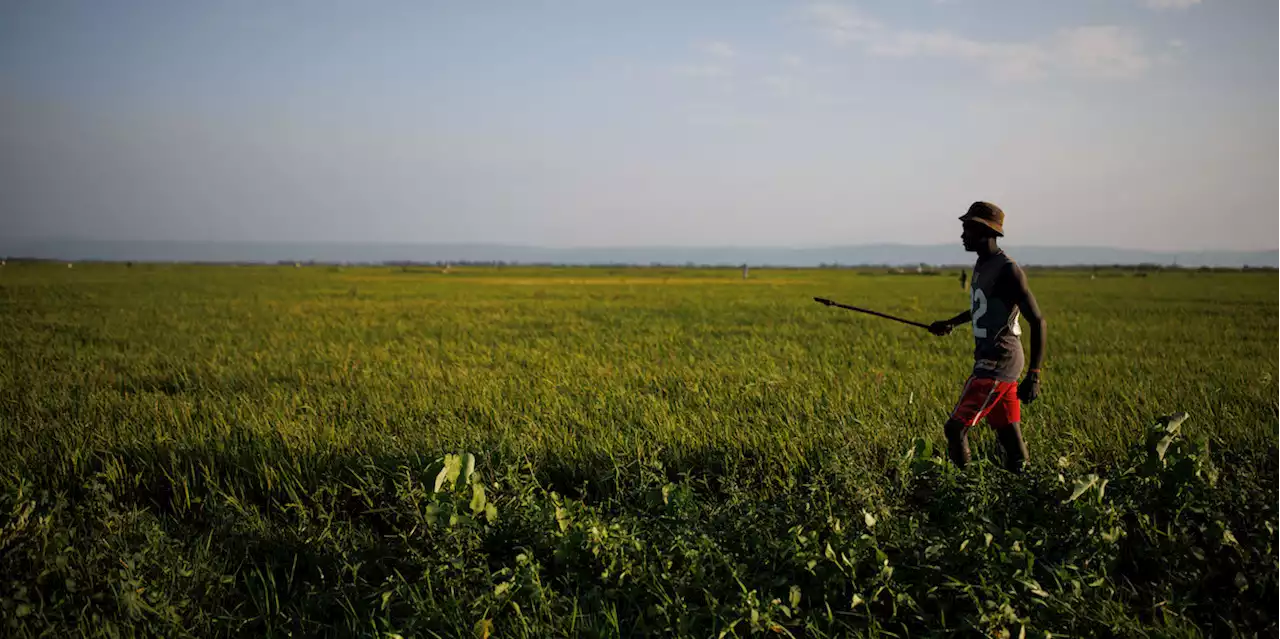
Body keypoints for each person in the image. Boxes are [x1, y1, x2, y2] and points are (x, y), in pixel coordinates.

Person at [928, 202, 1045, 473]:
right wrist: (951, 324)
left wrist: (1035, 374)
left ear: (984, 231)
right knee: (1008, 434)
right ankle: (1026, 492)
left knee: (955, 428)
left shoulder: (1008, 270)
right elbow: (984, 306)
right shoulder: (983, 264)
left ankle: (965, 491)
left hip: (998, 361)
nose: (962, 235)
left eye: (967, 228)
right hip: (989, 358)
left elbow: (1038, 321)